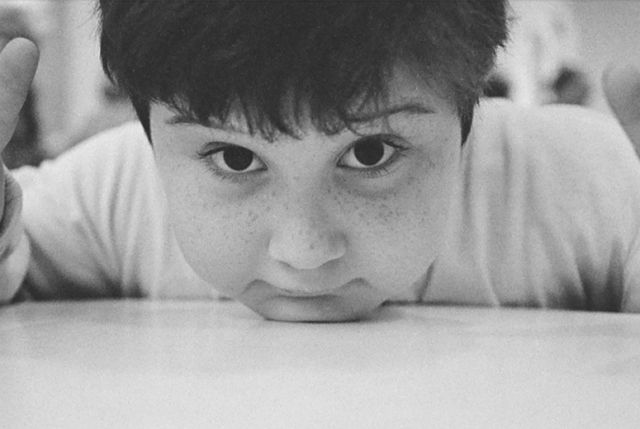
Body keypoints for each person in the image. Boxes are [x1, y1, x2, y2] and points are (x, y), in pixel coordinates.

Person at [1, 2, 640, 323]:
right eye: (233, 156)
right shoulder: (118, 189)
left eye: (369, 153)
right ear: (148, 130)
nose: (304, 252)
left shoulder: (583, 180)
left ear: (466, 108)